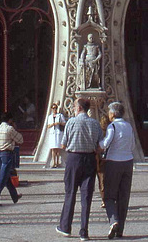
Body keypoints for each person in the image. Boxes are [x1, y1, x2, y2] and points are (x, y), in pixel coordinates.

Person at [56, 98, 103, 241]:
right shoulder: (95, 124)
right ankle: (84, 231)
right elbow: (99, 145)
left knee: (70, 192)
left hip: (74, 159)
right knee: (86, 196)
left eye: (74, 106)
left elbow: (63, 145)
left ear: (78, 108)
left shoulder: (71, 122)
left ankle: (65, 227)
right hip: (89, 159)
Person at [100, 102, 134, 240]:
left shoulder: (112, 126)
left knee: (109, 196)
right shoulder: (129, 126)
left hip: (114, 162)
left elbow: (105, 144)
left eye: (109, 112)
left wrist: (98, 143)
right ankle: (120, 230)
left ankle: (113, 221)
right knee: (123, 197)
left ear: (113, 114)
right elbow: (132, 145)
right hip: (128, 162)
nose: (108, 114)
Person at [0, 112, 23, 206]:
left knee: (6, 177)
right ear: (10, 120)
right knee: (2, 178)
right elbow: (20, 139)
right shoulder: (10, 129)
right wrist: (14, 127)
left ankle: (14, 196)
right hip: (7, 154)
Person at [47, 103, 66, 168]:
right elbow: (48, 126)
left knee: (58, 148)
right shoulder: (50, 116)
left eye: (55, 108)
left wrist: (59, 123)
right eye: (53, 108)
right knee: (53, 148)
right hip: (52, 133)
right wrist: (54, 124)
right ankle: (54, 162)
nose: (54, 109)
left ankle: (58, 162)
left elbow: (64, 123)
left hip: (58, 133)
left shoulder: (60, 115)